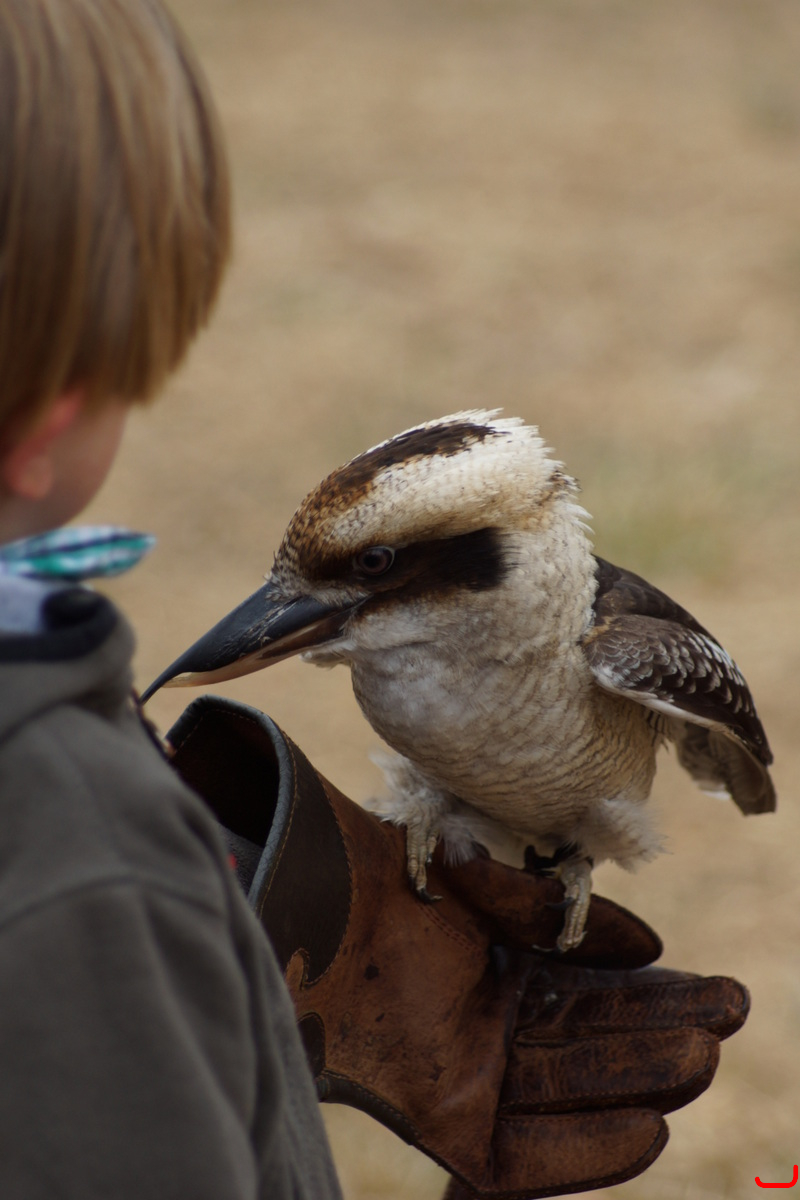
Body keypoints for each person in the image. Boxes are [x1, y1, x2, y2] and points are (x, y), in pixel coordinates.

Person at [0, 2, 748, 1197]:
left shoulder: (43, 726)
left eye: (371, 573)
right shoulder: (73, 853)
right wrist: (147, 911)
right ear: (54, 423)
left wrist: (232, 931)